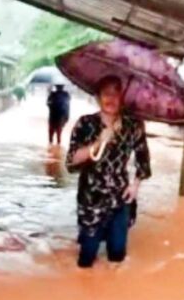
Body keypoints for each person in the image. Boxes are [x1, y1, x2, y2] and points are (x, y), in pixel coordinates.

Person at [65, 75, 151, 268]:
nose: (110, 99)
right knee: (86, 258)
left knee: (117, 257)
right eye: (106, 94)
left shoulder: (133, 126)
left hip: (120, 197)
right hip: (91, 198)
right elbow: (70, 163)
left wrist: (135, 186)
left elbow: (143, 159)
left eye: (115, 93)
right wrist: (98, 142)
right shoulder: (85, 124)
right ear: (97, 97)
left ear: (122, 97)